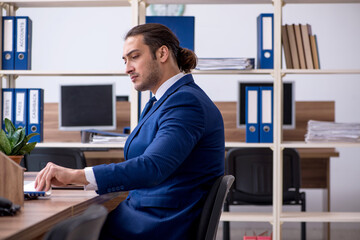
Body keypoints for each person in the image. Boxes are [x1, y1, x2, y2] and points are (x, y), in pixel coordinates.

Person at [35, 23, 225, 240]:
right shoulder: (162, 101)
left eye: (134, 57)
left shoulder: (185, 101)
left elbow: (152, 167)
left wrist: (77, 176)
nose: (127, 68)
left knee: (55, 232)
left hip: (160, 225)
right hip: (147, 216)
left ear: (162, 53)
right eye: (125, 60)